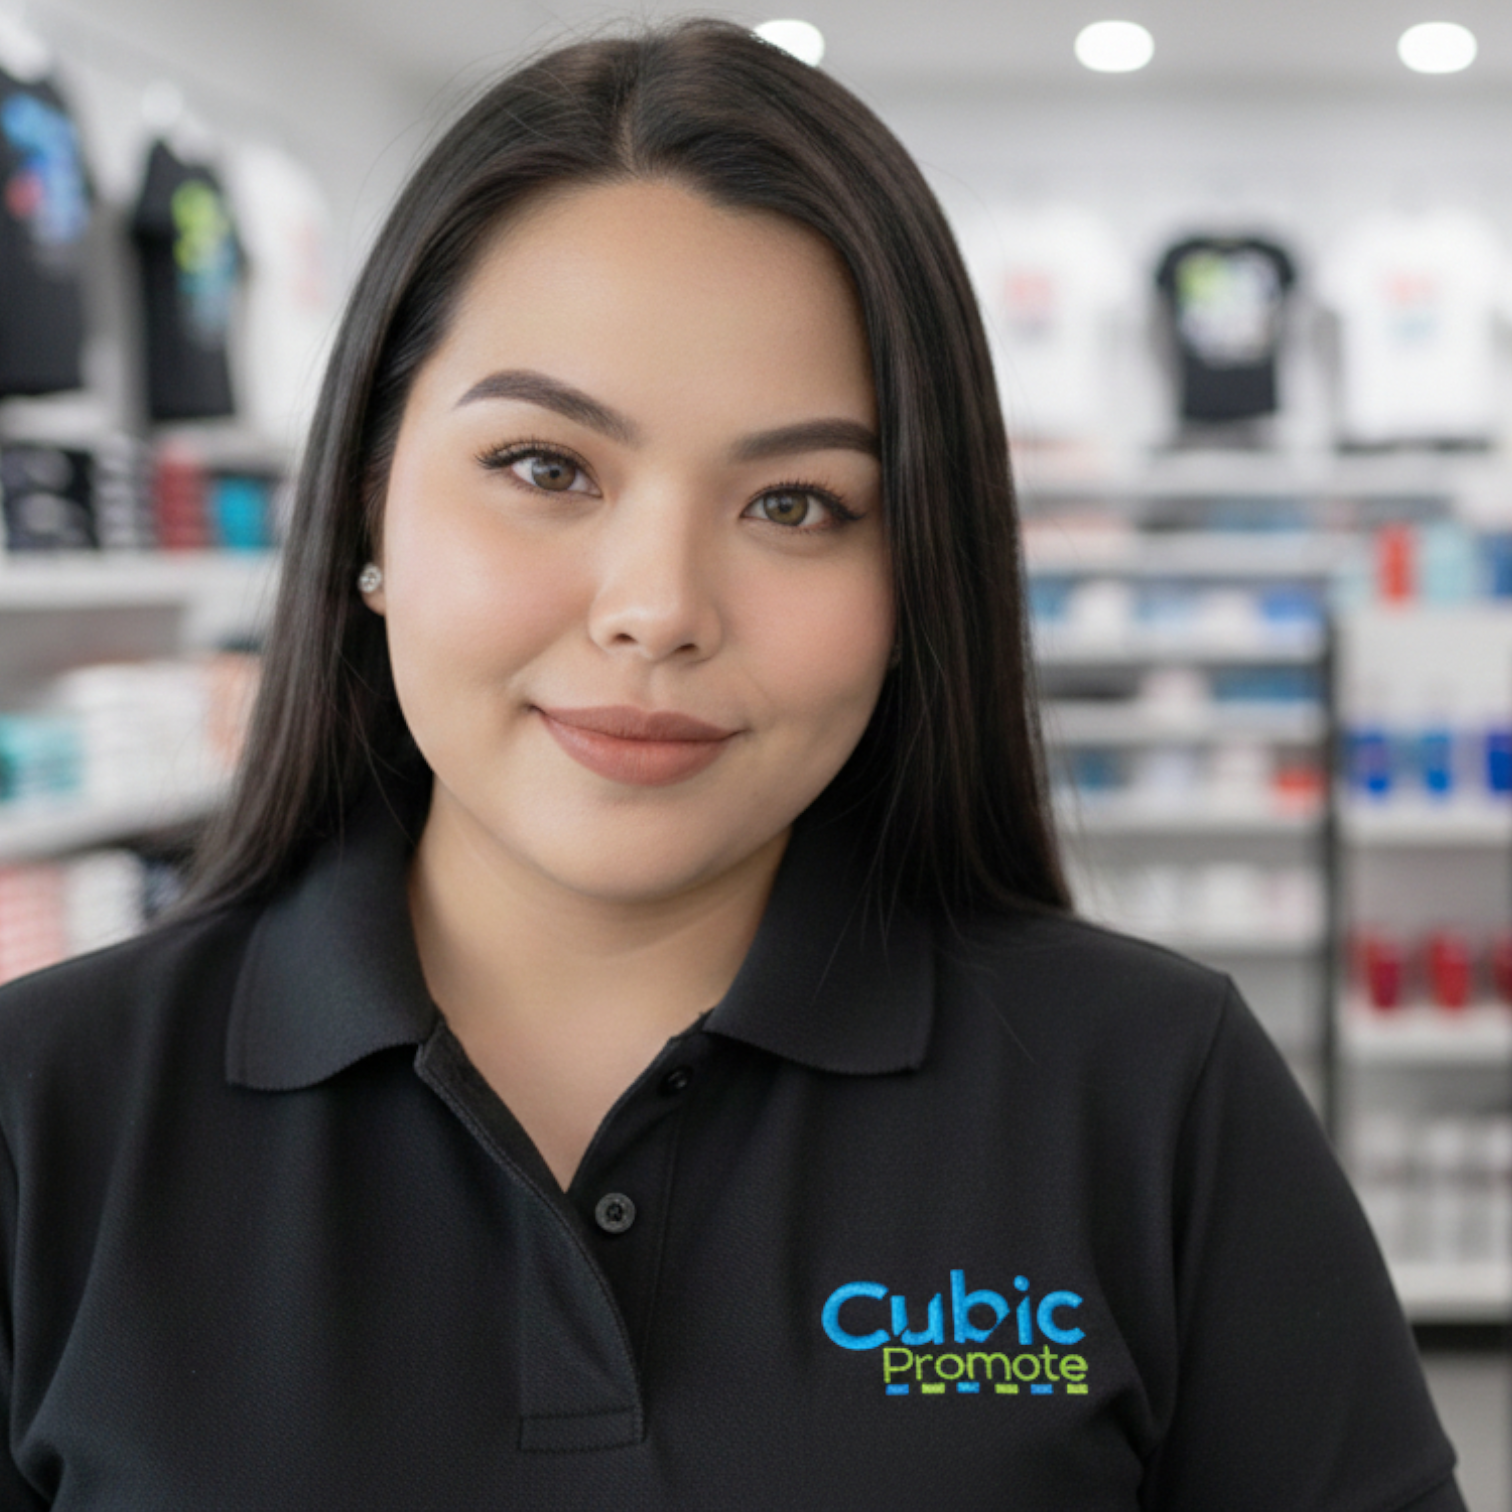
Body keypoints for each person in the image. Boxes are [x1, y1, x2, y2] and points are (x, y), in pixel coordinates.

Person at [0, 19, 1465, 1509]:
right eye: (546, 468)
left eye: (797, 503)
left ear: (919, 577)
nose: (660, 609)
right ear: (370, 507)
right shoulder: (41, 1113)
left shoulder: (1152, 1092)